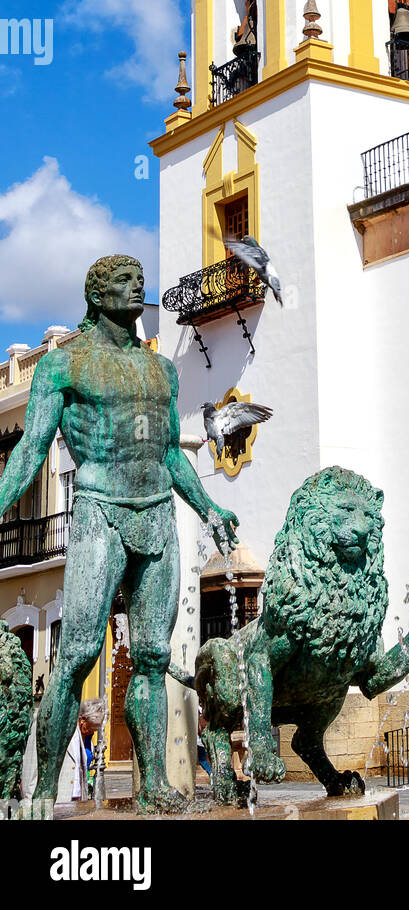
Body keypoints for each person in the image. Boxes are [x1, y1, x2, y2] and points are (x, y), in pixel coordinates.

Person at [0, 255, 239, 817]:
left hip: (156, 515)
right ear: (96, 295)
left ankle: (154, 782)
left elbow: (167, 455)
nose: (138, 286)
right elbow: (32, 451)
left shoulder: (163, 372)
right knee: (79, 652)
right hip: (99, 513)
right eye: (123, 281)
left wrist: (207, 506)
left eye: (140, 279)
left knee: (152, 658)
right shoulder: (64, 366)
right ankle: (40, 792)